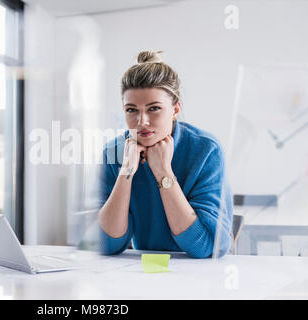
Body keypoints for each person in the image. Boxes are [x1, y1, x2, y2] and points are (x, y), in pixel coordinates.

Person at [97, 50, 233, 258]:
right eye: (131, 110)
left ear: (176, 109)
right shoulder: (113, 152)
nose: (142, 121)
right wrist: (126, 172)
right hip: (141, 272)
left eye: (154, 108)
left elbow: (206, 247)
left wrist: (163, 174)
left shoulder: (206, 151)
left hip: (200, 276)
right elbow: (106, 245)